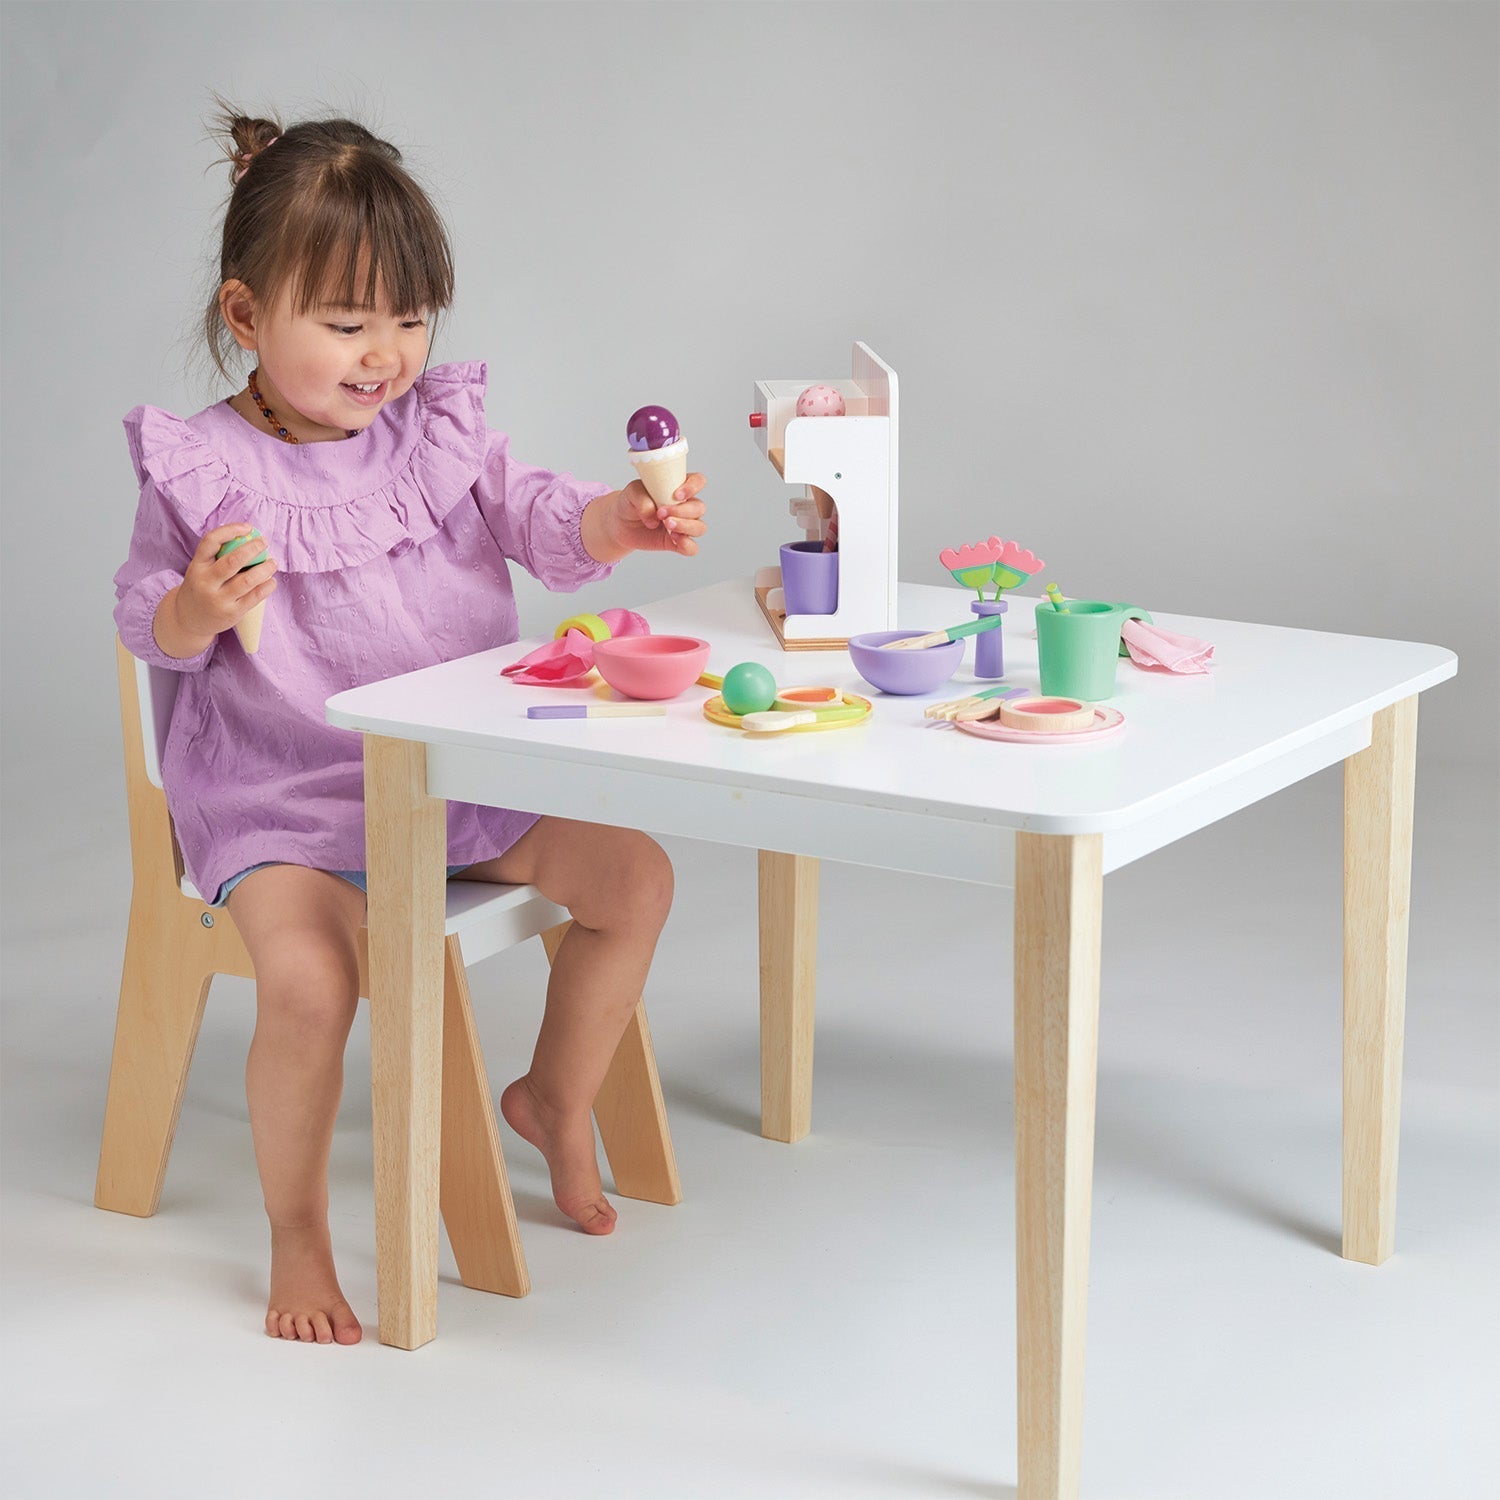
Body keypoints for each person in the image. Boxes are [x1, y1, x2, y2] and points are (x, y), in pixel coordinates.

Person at [112, 108, 707, 1346]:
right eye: (344, 325)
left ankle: (552, 1097)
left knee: (636, 878)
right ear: (245, 315)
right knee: (311, 986)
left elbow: (540, 515)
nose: (384, 355)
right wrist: (194, 608)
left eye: (410, 317)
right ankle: (296, 1234)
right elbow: (147, 626)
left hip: (449, 783)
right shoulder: (203, 470)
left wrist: (619, 521)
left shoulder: (433, 436)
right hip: (290, 801)